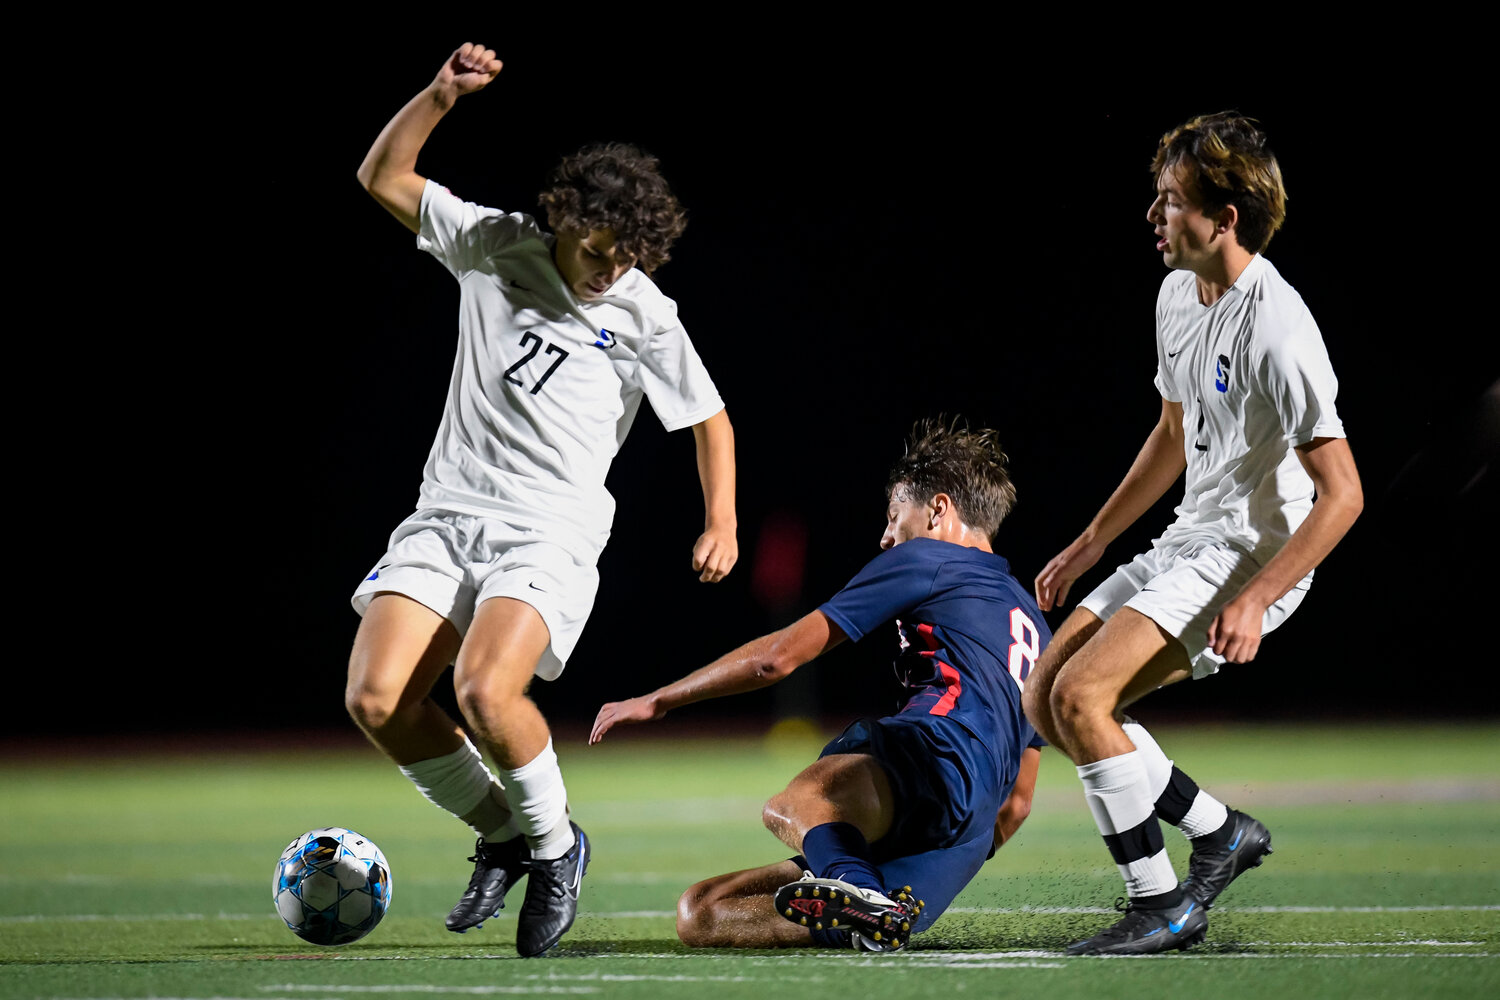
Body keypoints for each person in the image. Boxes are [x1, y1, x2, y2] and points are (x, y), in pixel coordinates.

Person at [346, 42, 738, 958]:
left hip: (550, 530)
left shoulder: (645, 310)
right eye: (598, 251)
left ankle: (556, 850)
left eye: (627, 257)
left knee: (486, 690)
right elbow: (382, 174)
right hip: (448, 514)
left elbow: (711, 419)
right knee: (375, 698)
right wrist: (441, 94)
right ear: (561, 219)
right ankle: (509, 831)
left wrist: (719, 519)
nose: (609, 271)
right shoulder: (493, 243)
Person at [1023, 112, 1364, 956]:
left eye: (1171, 200)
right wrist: (1095, 538)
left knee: (1083, 697)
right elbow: (1173, 432)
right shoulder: (1178, 292)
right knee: (1044, 700)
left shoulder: (1280, 330)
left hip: (1252, 552)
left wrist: (1256, 598)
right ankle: (1218, 831)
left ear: (1225, 218)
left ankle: (1164, 904)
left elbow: (1343, 494)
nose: (1154, 215)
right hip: (1191, 537)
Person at [591, 418, 1049, 951]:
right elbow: (1017, 804)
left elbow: (777, 659)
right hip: (965, 830)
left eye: (895, 517)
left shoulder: (929, 557)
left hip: (941, 755)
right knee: (703, 913)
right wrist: (934, 861)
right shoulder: (1035, 623)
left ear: (939, 509)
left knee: (801, 798)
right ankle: (869, 911)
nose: (886, 537)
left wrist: (660, 699)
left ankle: (858, 889)